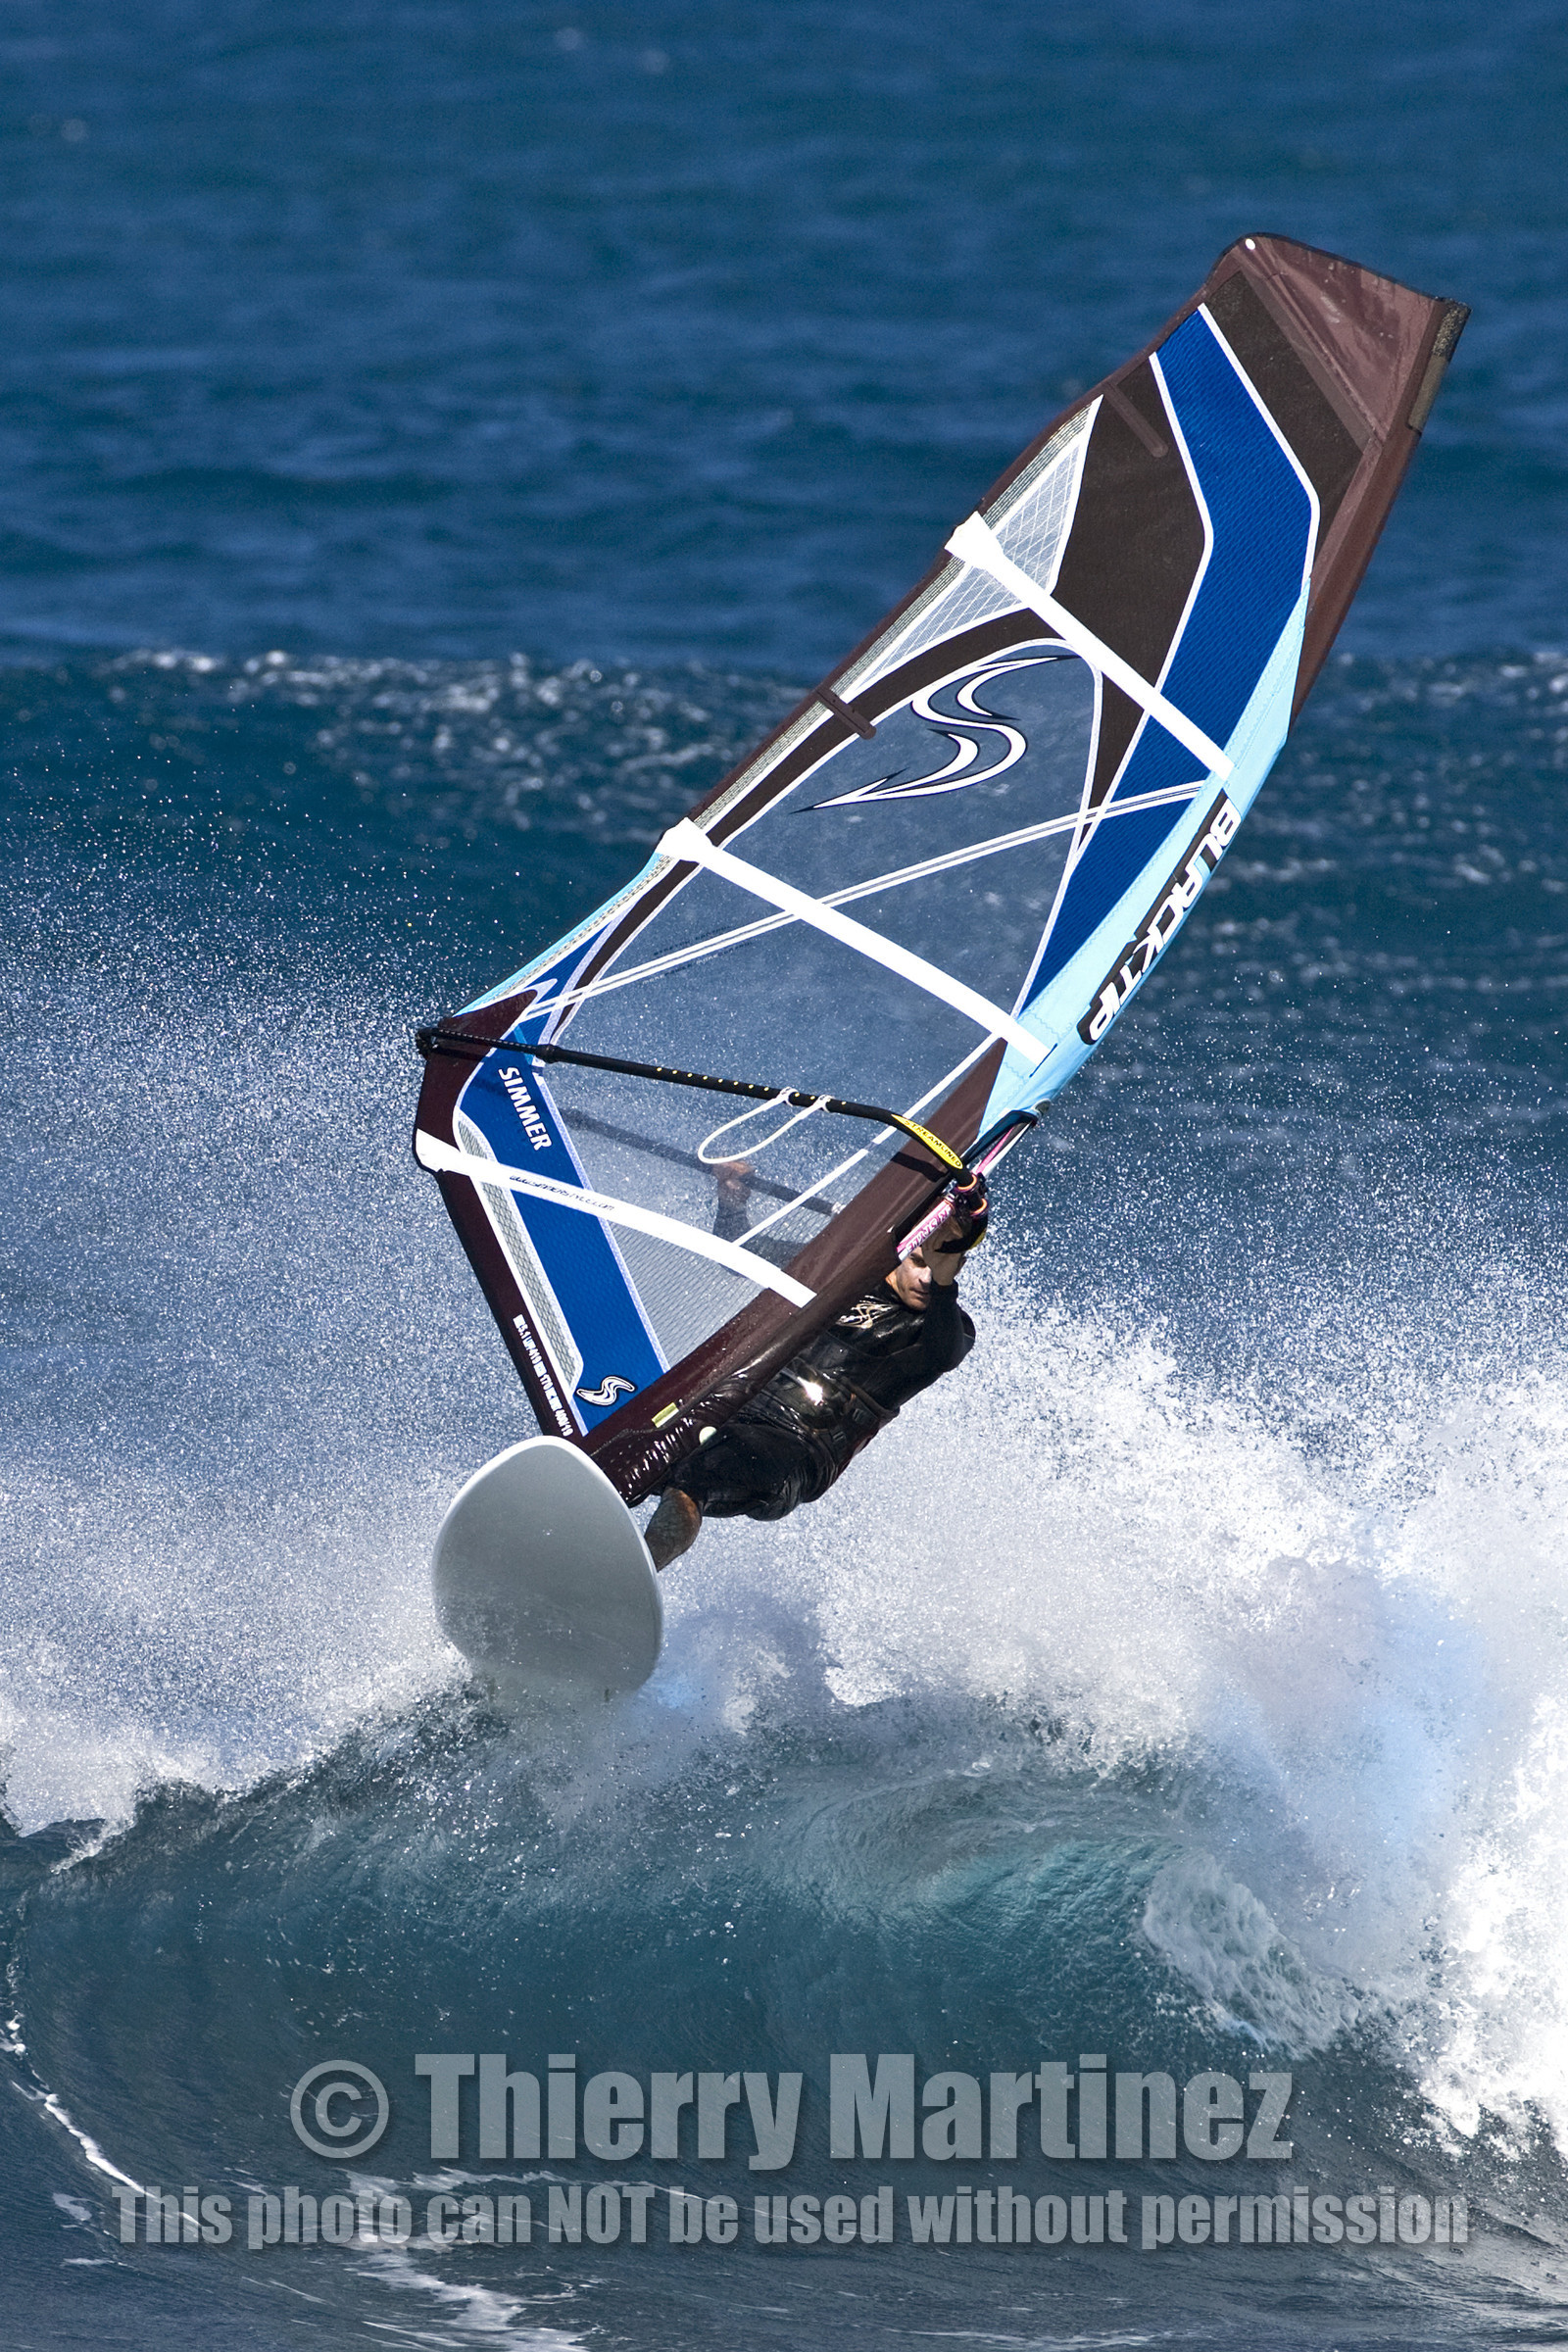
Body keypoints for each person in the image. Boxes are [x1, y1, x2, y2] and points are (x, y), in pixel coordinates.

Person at [643, 1166, 989, 1569]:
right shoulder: (845, 1274)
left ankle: (636, 1572)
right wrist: (731, 1200)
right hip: (730, 1408)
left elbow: (944, 1352)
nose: (928, 1278)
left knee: (696, 1478)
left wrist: (946, 1286)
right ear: (901, 1250)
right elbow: (739, 1254)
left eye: (942, 1268)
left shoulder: (943, 1329)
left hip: (795, 1449)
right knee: (629, 1451)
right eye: (918, 1260)